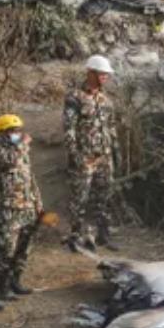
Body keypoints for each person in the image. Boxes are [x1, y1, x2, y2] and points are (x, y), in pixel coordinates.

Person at [63, 55, 119, 252]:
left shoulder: (105, 99)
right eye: (102, 73)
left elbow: (111, 126)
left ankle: (103, 235)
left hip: (104, 156)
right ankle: (75, 237)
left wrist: (115, 150)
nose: (105, 77)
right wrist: (75, 155)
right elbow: (69, 129)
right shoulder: (75, 97)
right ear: (91, 73)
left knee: (104, 196)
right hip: (85, 157)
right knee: (80, 198)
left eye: (106, 74)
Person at [0, 115, 41, 313]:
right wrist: (22, 144)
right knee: (5, 250)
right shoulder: (1, 150)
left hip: (27, 207)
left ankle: (14, 282)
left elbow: (29, 176)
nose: (18, 134)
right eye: (13, 131)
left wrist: (38, 201)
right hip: (7, 209)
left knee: (24, 247)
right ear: (3, 133)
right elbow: (10, 162)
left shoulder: (20, 150)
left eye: (19, 130)